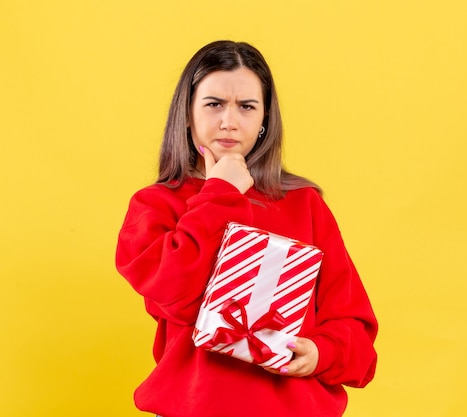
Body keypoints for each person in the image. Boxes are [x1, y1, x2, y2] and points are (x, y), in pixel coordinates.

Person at [115, 40, 377, 417]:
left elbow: (355, 330)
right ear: (187, 114)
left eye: (247, 106)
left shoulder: (305, 205)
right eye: (214, 104)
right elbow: (174, 292)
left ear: (265, 118)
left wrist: (322, 352)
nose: (229, 121)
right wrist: (220, 192)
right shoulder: (155, 206)